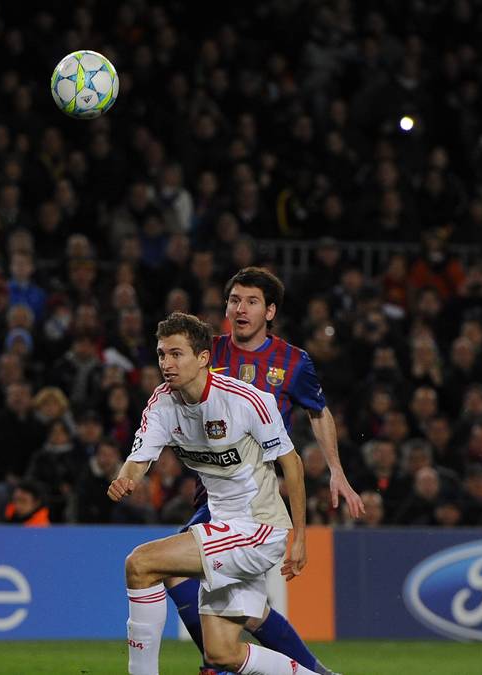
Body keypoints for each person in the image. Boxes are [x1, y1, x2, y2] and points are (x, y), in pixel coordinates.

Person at [167, 267, 355, 675]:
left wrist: (336, 470)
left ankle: (215, 666)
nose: (241, 309)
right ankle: (313, 673)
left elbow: (318, 414)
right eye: (235, 300)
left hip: (255, 493)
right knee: (247, 610)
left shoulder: (292, 361)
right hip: (212, 486)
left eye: (251, 301)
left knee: (172, 570)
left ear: (269, 311)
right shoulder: (208, 352)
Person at [110, 312, 314, 675]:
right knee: (223, 654)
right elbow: (139, 458)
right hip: (225, 528)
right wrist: (126, 477)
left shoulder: (245, 400)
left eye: (176, 354)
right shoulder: (162, 403)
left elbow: (292, 463)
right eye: (161, 355)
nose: (166, 364)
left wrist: (300, 536)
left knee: (140, 564)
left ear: (203, 357)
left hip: (258, 528)